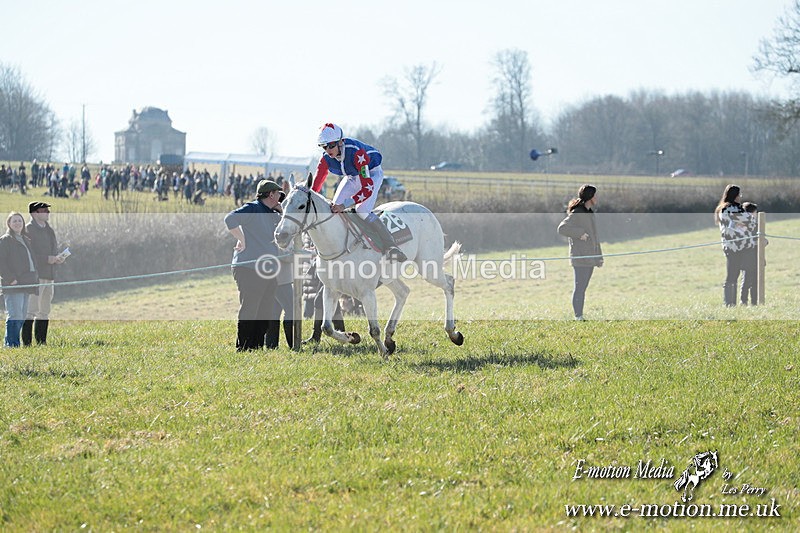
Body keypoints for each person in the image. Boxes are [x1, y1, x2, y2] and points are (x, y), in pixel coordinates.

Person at [311, 122, 407, 261]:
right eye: (324, 146)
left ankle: (391, 246)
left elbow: (366, 190)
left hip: (371, 175)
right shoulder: (325, 158)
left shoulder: (357, 153)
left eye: (331, 145)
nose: (328, 150)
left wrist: (345, 205)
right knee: (333, 208)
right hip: (351, 176)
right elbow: (316, 186)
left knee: (362, 210)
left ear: (341, 142)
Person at [224, 179, 284, 351]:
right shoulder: (253, 208)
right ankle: (243, 347)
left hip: (268, 269)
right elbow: (230, 219)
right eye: (279, 194)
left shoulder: (274, 214)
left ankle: (256, 347)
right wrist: (242, 239)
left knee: (266, 308)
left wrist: (281, 212)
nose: (280, 197)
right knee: (251, 307)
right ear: (271, 194)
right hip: (248, 267)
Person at [558, 185, 603, 321]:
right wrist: (579, 234)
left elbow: (595, 237)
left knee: (583, 288)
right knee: (579, 288)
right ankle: (578, 317)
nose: (597, 197)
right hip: (580, 256)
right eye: (595, 195)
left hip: (590, 257)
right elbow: (562, 228)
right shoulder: (577, 212)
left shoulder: (589, 213)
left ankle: (580, 316)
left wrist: (599, 256)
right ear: (590, 197)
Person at [22, 201, 65, 346]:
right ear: (34, 213)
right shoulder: (28, 230)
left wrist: (57, 258)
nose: (47, 212)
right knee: (31, 311)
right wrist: (47, 259)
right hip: (36, 277)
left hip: (50, 275)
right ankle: (27, 344)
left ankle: (41, 342)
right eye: (44, 210)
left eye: (47, 210)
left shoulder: (49, 230)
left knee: (44, 311)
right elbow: (28, 255)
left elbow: (52, 250)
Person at [0, 212, 39, 347]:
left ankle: (10, 343)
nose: (18, 223)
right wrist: (10, 279)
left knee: (21, 316)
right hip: (13, 284)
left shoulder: (26, 240)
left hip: (26, 282)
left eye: (20, 221)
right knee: (14, 316)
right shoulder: (5, 240)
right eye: (14, 221)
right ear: (9, 224)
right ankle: (11, 345)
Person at [714, 184, 756, 307]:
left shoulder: (721, 209)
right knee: (747, 274)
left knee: (731, 275)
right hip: (743, 246)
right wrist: (744, 223)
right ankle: (744, 301)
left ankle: (729, 303)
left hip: (729, 247)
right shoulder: (735, 209)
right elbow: (752, 223)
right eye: (740, 194)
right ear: (736, 196)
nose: (740, 197)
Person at [739, 201, 763, 306]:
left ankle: (754, 302)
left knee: (756, 281)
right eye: (754, 213)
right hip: (747, 257)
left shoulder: (757, 225)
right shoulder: (742, 225)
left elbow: (762, 238)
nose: (755, 215)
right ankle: (743, 301)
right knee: (747, 280)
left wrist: (764, 242)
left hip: (757, 256)